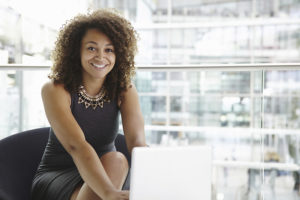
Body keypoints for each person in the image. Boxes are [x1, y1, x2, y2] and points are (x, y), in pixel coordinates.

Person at [31, 8, 146, 200]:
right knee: (111, 175)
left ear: (119, 55)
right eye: (92, 48)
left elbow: (137, 144)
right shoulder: (55, 90)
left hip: (110, 173)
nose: (101, 57)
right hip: (59, 175)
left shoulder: (125, 90)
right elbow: (77, 146)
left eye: (109, 50)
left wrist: (157, 180)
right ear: (77, 51)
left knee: (116, 160)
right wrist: (109, 193)